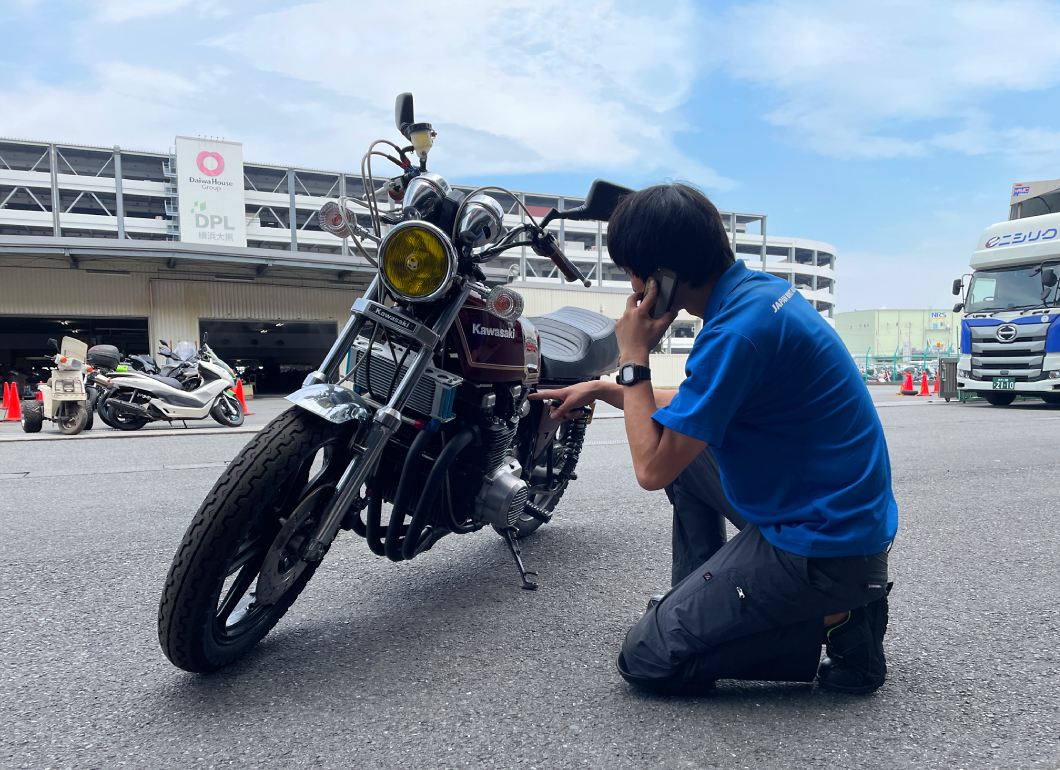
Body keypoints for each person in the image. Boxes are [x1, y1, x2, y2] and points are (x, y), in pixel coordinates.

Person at [530, 183, 897, 695]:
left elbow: (651, 469)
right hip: (831, 512)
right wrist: (604, 388)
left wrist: (632, 356)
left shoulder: (735, 334)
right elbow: (696, 404)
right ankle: (702, 595)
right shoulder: (757, 297)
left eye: (631, 272)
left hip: (824, 544)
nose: (631, 285)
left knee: (648, 658)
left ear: (661, 276)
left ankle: (837, 622)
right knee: (688, 463)